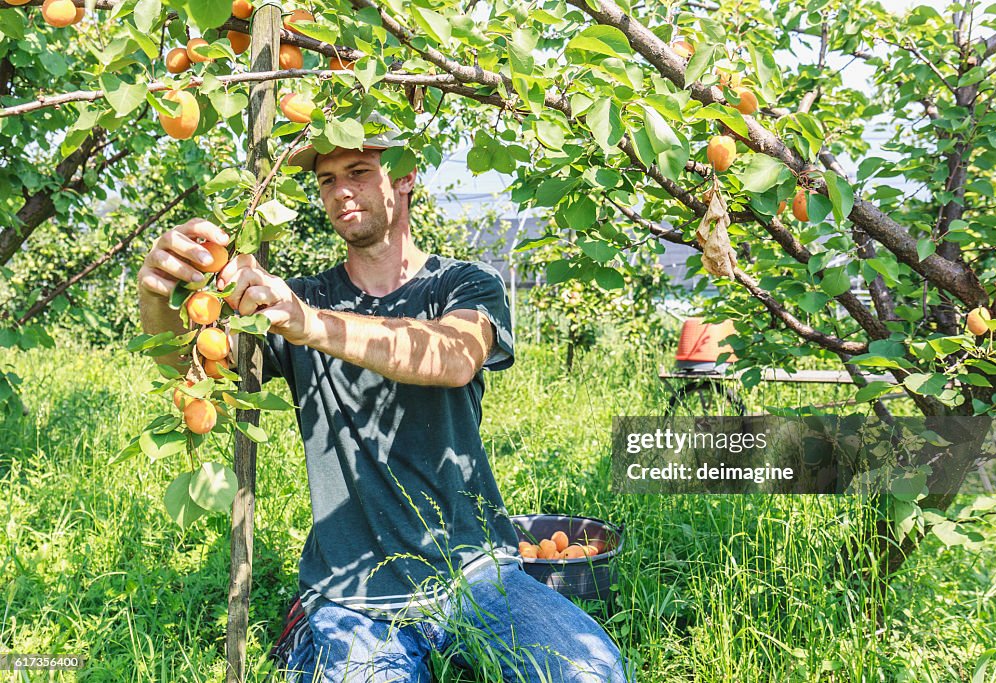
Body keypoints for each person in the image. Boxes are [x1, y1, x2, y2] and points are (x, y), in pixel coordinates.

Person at [136, 115, 631, 682]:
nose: (341, 189)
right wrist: (159, 296)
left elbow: (452, 356)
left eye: (359, 171)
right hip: (352, 592)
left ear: (405, 177)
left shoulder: (461, 284)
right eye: (326, 179)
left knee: (590, 672)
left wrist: (309, 325)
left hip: (474, 568)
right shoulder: (295, 299)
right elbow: (200, 377)